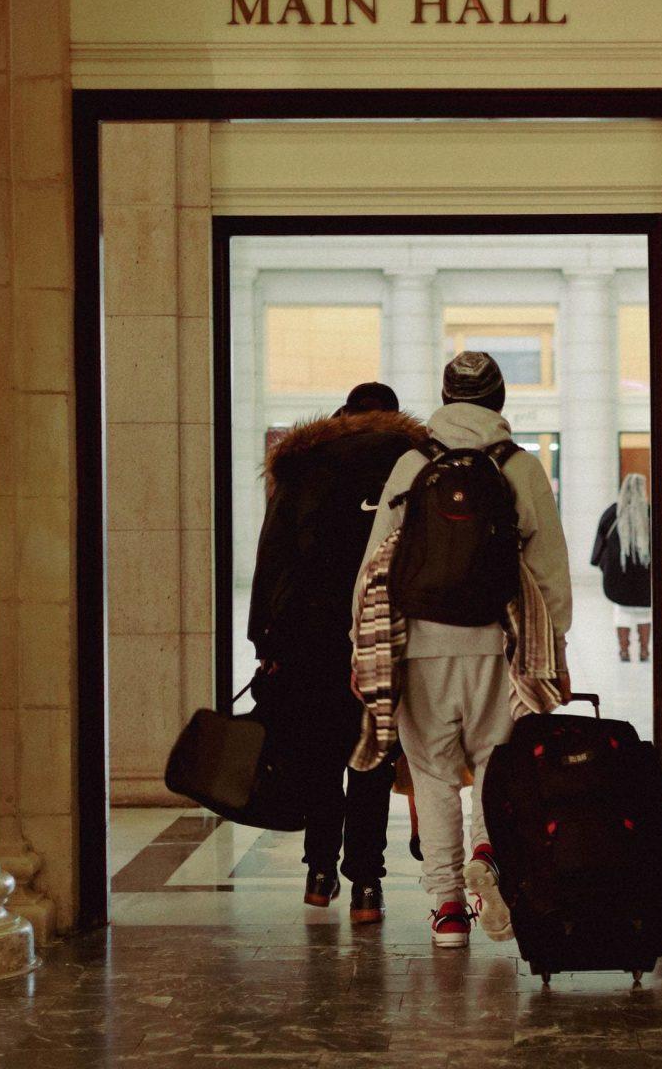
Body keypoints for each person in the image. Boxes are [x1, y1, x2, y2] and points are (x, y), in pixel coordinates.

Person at [353, 352, 572, 948]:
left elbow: (376, 562)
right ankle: (487, 854)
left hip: (421, 644)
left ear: (446, 398)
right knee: (496, 766)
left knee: (432, 774)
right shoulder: (519, 467)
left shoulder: (411, 464)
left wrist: (366, 639)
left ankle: (448, 907)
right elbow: (549, 566)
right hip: (497, 644)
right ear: (499, 400)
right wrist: (556, 642)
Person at [247, 381, 427, 923]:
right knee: (371, 757)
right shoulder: (416, 462)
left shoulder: (305, 464)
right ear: (395, 417)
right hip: (384, 635)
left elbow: (272, 558)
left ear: (344, 415)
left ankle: (320, 874)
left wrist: (265, 640)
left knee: (322, 758)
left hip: (311, 638)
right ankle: (367, 886)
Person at [591, 472, 652, 662]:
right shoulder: (650, 512)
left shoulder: (612, 513)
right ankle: (643, 650)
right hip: (645, 575)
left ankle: (624, 651)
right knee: (645, 613)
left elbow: (600, 542)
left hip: (618, 575)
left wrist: (604, 566)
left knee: (622, 612)